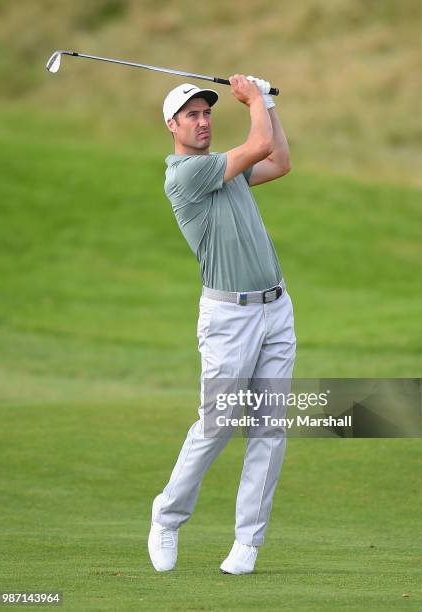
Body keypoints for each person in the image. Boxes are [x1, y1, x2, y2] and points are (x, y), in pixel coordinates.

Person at [148, 74, 296, 575]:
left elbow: (278, 160)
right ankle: (167, 515)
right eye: (192, 114)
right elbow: (256, 145)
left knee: (269, 427)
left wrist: (269, 104)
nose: (203, 120)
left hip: (275, 308)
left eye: (208, 112)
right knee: (218, 423)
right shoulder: (186, 174)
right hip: (228, 318)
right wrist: (254, 98)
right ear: (172, 125)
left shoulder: (223, 170)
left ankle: (247, 543)